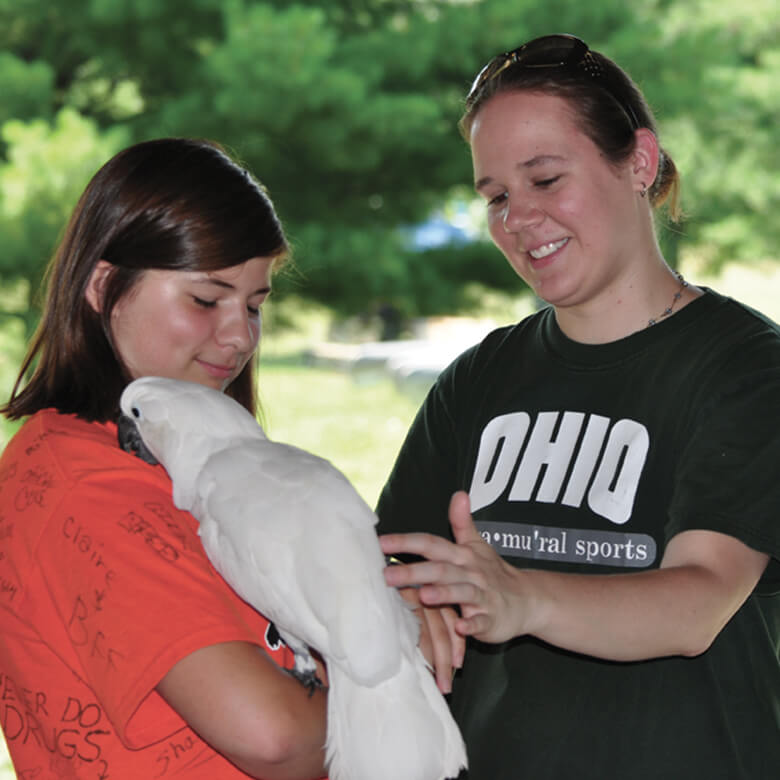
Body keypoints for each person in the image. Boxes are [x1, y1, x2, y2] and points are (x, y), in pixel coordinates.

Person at [377, 34, 780, 780]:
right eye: (496, 196)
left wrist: (522, 599)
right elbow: (398, 568)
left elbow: (699, 602)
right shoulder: (478, 379)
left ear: (641, 162)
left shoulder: (747, 369)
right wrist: (407, 605)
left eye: (546, 179)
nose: (518, 219)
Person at [0, 138, 329, 779]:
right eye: (206, 300)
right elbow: (275, 739)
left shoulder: (169, 461)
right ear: (105, 288)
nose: (240, 336)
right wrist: (393, 672)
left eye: (255, 305)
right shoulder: (88, 487)